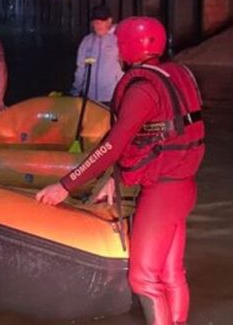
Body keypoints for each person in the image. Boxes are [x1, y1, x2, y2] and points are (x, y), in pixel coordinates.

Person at [36, 17, 205, 325]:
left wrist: (65, 185)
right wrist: (119, 178)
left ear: (127, 47)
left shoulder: (143, 88)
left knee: (143, 279)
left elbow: (114, 144)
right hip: (183, 186)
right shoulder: (179, 74)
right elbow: (158, 137)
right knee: (170, 273)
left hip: (163, 192)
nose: (116, 53)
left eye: (119, 46)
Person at [70, 5, 123, 104]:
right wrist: (75, 91)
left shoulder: (118, 40)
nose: (98, 25)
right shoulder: (86, 41)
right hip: (89, 98)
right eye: (95, 22)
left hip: (111, 98)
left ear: (109, 21)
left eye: (101, 21)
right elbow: (80, 68)